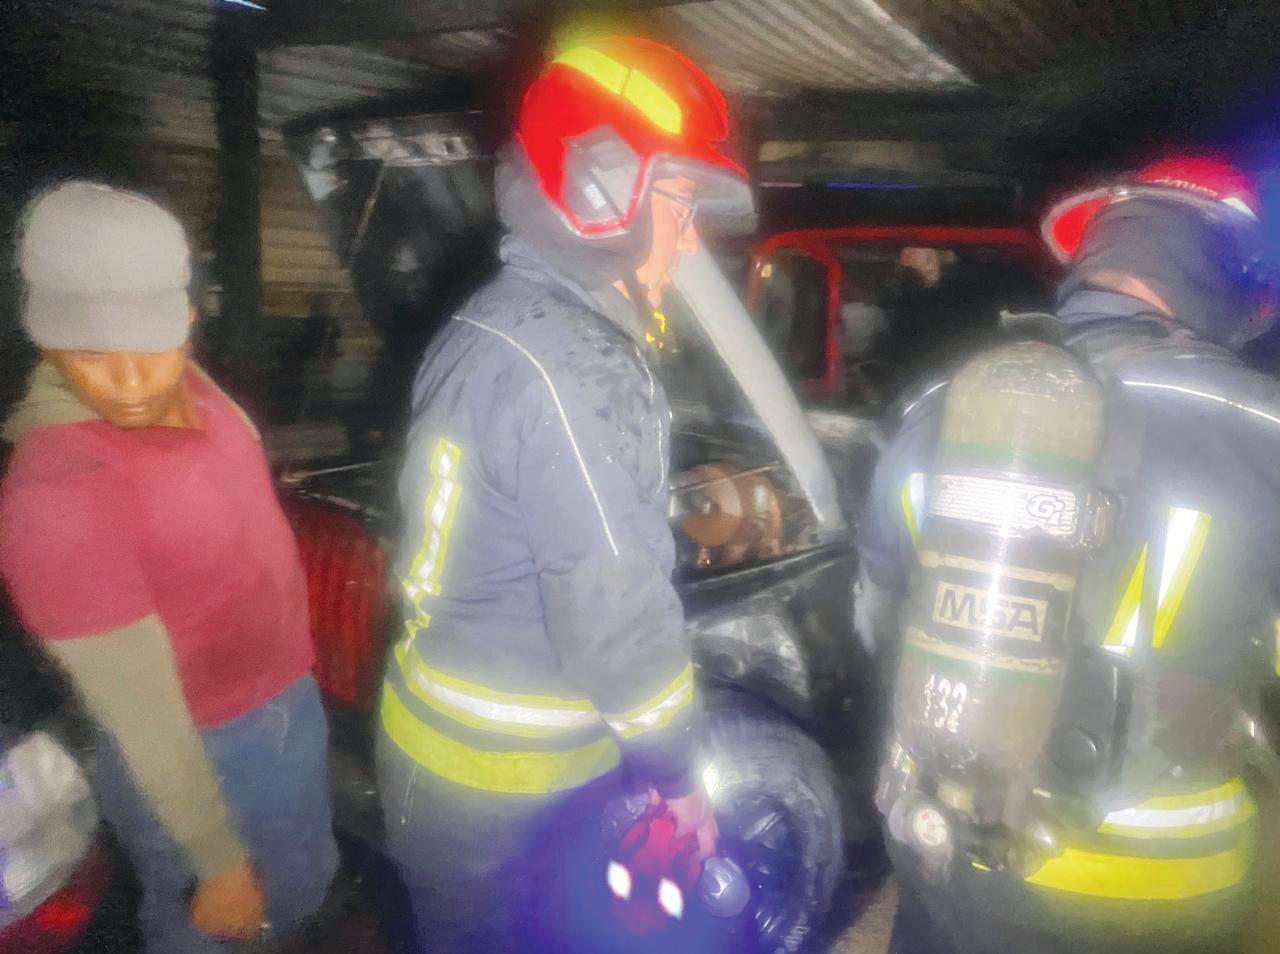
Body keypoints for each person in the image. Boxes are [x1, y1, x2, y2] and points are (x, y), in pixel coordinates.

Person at [374, 35, 753, 953]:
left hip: (430, 754)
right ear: (604, 195)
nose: (691, 238)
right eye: (680, 203)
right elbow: (615, 615)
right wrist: (677, 773)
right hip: (512, 788)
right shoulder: (581, 365)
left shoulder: (487, 321)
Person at [858, 155, 1277, 954]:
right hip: (1147, 892)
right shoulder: (1257, 428)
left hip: (944, 848)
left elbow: (878, 611)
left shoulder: (935, 405)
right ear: (1223, 273)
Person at [0, 181, 337, 953]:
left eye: (149, 346)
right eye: (90, 354)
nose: (128, 383)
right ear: (44, 342)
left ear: (186, 322)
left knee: (298, 892)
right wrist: (214, 861)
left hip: (285, 706)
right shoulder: (59, 497)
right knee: (210, 930)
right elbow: (144, 720)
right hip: (201, 758)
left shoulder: (202, 392)